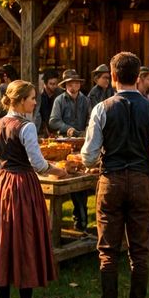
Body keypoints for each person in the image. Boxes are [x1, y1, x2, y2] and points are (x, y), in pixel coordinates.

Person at [80, 52, 149, 298]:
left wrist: (95, 158)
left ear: (113, 76)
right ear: (137, 76)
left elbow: (88, 155)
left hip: (112, 180)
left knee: (108, 250)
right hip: (142, 180)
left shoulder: (102, 108)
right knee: (139, 251)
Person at [0, 80, 66, 298]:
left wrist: (1, 175)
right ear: (19, 101)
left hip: (2, 186)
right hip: (24, 186)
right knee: (26, 242)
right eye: (31, 98)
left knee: (3, 241)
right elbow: (38, 164)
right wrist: (58, 171)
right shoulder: (26, 127)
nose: (35, 102)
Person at [50, 69, 92, 231]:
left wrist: (88, 131)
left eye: (76, 83)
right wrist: (68, 129)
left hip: (82, 144)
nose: (74, 86)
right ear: (66, 85)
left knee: (81, 181)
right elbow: (53, 121)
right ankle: (78, 218)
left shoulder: (86, 100)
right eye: (71, 83)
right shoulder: (59, 100)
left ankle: (81, 218)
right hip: (64, 147)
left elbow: (90, 118)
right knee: (69, 180)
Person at [37, 71, 61, 136]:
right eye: (51, 84)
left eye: (56, 84)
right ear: (45, 84)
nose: (54, 86)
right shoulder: (39, 97)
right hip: (42, 131)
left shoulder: (60, 95)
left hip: (58, 130)